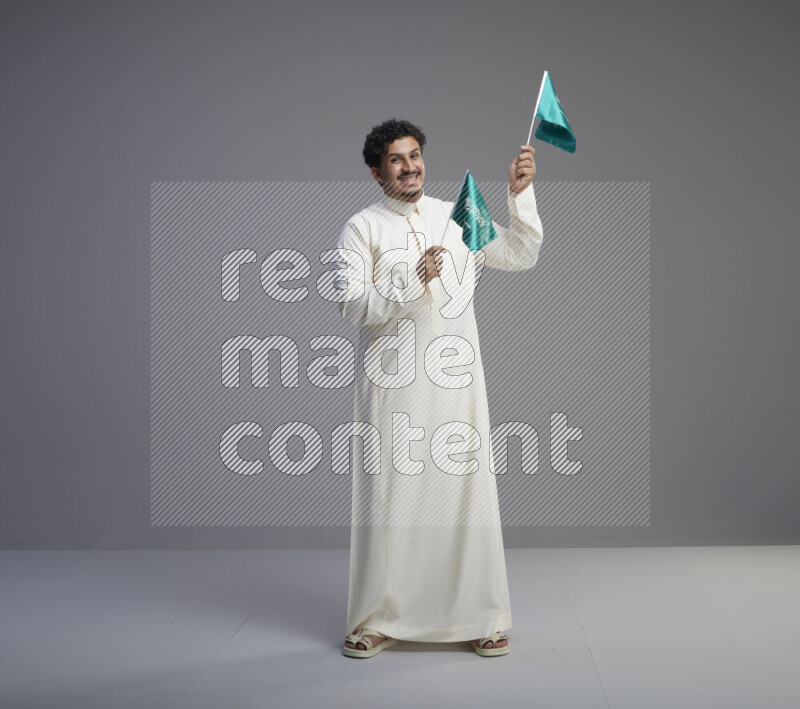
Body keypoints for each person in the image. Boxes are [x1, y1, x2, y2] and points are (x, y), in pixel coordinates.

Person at [335, 119, 542, 658]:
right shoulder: (361, 228)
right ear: (377, 173)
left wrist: (520, 195)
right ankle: (378, 619)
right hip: (394, 387)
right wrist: (412, 279)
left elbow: (520, 254)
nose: (410, 167)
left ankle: (481, 615)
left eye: (415, 156)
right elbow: (352, 305)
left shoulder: (458, 215)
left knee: (465, 496)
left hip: (456, 385)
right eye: (396, 160)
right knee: (391, 499)